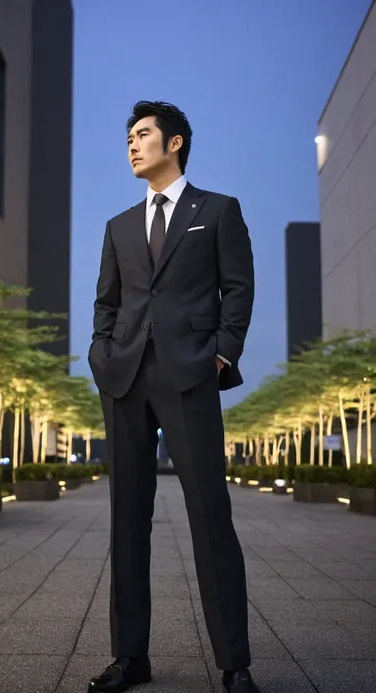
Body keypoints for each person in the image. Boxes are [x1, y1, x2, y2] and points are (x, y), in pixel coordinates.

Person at [87, 101, 258, 693]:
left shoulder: (217, 211)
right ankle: (131, 658)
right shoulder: (118, 226)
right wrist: (101, 355)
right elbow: (106, 304)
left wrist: (221, 352)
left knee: (211, 517)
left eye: (142, 135)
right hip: (126, 381)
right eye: (127, 138)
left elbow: (238, 289)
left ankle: (235, 665)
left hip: (190, 378)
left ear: (175, 143)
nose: (131, 145)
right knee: (127, 522)